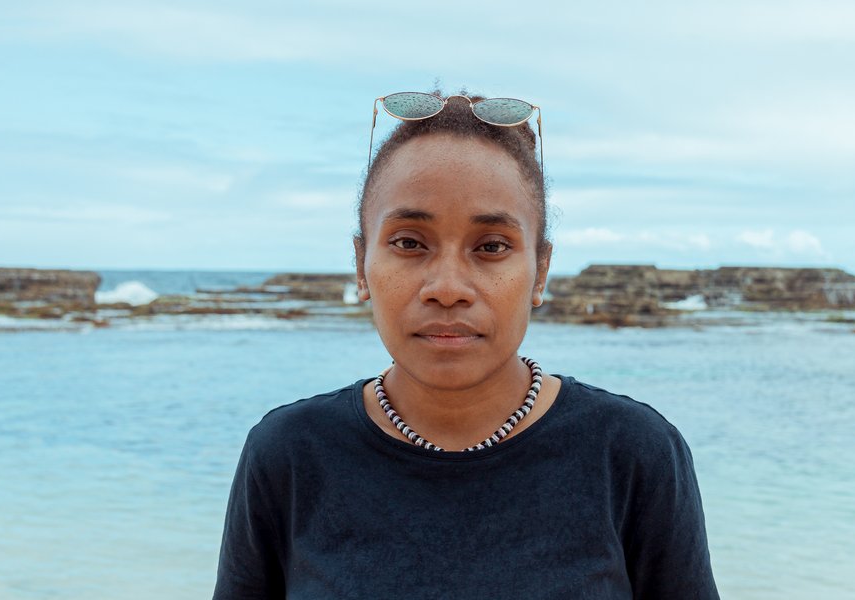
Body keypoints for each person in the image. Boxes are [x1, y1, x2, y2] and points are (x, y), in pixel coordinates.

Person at [210, 89, 720, 599]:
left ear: (539, 271)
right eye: (409, 243)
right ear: (361, 264)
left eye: (492, 247)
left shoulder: (633, 453)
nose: (448, 288)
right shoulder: (290, 453)